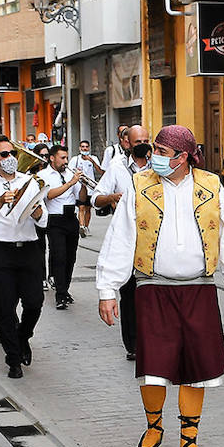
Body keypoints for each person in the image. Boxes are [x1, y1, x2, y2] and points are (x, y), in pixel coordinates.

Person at [95, 125, 224, 447]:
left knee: (197, 368)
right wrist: (107, 290)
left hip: (199, 288)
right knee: (154, 367)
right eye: (155, 150)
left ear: (183, 157)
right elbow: (120, 240)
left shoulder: (212, 186)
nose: (155, 158)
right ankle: (153, 431)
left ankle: (189, 445)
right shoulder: (139, 186)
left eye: (163, 152)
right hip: (153, 287)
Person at [0, 135, 48, 378]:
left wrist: (36, 211)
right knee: (5, 306)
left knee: (34, 303)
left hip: (28, 247)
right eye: (3, 155)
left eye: (11, 154)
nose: (9, 159)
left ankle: (23, 336)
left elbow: (44, 219)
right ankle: (13, 358)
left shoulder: (30, 180)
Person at [94, 125, 153, 361]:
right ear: (127, 143)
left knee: (150, 293)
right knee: (129, 295)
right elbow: (96, 198)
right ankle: (134, 345)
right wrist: (112, 197)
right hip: (127, 239)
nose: (144, 145)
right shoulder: (117, 168)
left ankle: (152, 339)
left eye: (147, 140)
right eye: (139, 141)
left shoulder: (157, 166)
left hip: (152, 240)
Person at [39, 146, 84, 310]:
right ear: (52, 158)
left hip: (71, 218)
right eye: (62, 158)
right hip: (55, 219)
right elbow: (48, 195)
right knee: (59, 256)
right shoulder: (43, 175)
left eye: (67, 158)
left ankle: (65, 290)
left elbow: (81, 197)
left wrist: (82, 184)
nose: (66, 161)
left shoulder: (70, 173)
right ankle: (60, 294)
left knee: (71, 257)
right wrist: (71, 182)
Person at [74, 139, 104, 236]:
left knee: (88, 208)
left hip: (90, 188)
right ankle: (81, 226)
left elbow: (100, 171)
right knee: (81, 207)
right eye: (83, 147)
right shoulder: (76, 159)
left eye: (86, 147)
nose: (84, 148)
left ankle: (86, 226)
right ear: (79, 148)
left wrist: (92, 161)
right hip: (80, 187)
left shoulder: (94, 158)